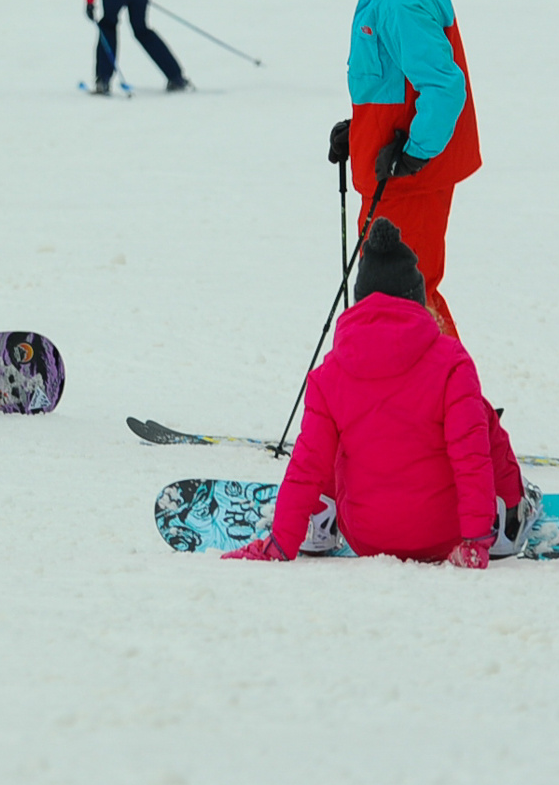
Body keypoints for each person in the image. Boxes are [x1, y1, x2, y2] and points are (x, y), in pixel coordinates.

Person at [219, 218, 540, 568]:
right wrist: (476, 539)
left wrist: (279, 544)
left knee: (336, 434)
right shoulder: (451, 363)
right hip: (444, 532)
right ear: (417, 299)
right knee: (479, 414)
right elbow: (471, 455)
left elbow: (307, 465)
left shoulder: (330, 373)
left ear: (360, 302)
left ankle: (322, 519)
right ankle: (510, 515)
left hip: (367, 537)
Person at [328, 0, 480, 339]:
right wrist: (359, 131)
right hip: (392, 172)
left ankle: (454, 405)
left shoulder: (402, 0)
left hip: (409, 179)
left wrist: (413, 152)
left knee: (401, 296)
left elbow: (443, 88)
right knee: (396, 296)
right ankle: (410, 403)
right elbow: (394, 85)